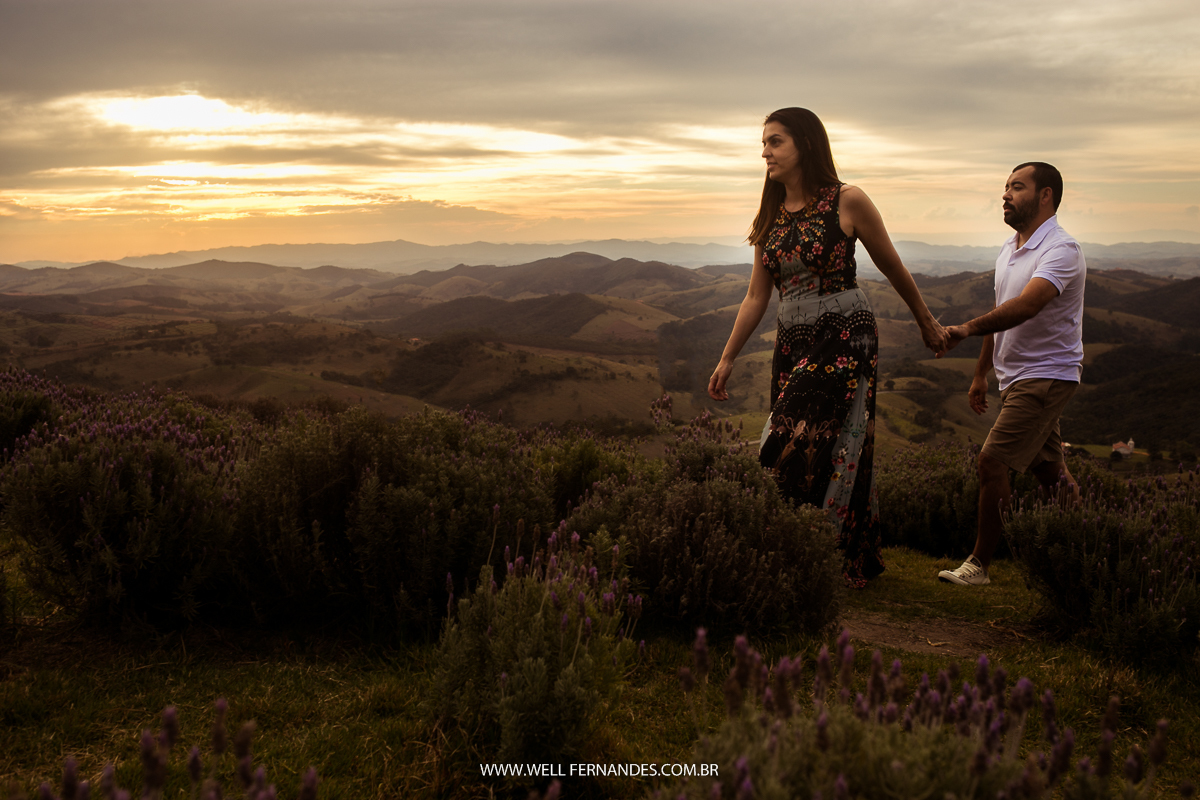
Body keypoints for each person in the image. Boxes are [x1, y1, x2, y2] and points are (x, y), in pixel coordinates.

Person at [708, 107, 946, 588]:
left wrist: (926, 321)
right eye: (764, 143)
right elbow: (756, 296)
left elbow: (892, 265)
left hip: (844, 332)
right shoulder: (769, 214)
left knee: (790, 441)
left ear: (806, 144)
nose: (765, 152)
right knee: (818, 442)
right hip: (792, 340)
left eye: (775, 141)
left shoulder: (847, 200)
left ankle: (799, 548)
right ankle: (816, 552)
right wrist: (727, 357)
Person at [935, 162, 1085, 586]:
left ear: (1045, 195)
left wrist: (965, 328)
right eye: (1005, 187)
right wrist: (981, 373)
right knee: (1050, 473)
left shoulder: (1062, 249)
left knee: (992, 462)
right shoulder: (1009, 248)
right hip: (1016, 376)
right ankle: (1086, 546)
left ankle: (979, 565)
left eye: (1017, 187)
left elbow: (1027, 305)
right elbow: (1002, 313)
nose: (1005, 194)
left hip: (1047, 374)